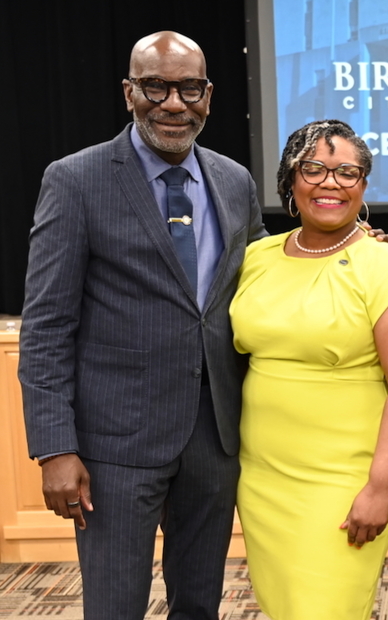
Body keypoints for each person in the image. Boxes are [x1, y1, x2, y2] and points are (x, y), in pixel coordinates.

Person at [18, 31, 266, 619]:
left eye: (189, 88)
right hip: (114, 447)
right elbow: (47, 324)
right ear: (130, 92)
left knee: (200, 605)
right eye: (156, 86)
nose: (174, 103)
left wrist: (351, 248)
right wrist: (54, 448)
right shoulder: (75, 179)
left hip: (216, 437)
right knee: (115, 607)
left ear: (210, 94)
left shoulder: (234, 181)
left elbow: (263, 283)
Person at [230, 119, 388, 619]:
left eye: (348, 172)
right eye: (314, 169)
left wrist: (379, 487)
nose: (330, 183)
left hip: (345, 481)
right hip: (261, 476)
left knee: (324, 608)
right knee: (284, 606)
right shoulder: (256, 258)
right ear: (290, 181)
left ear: (363, 186)